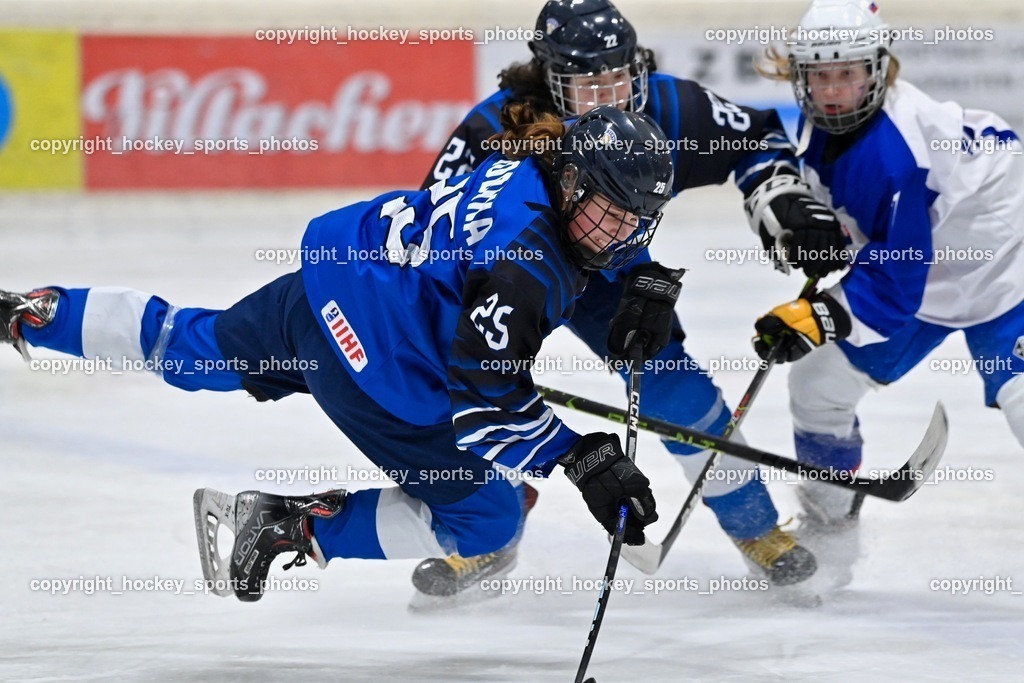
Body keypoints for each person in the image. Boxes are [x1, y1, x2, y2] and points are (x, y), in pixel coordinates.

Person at [1, 105, 673, 602]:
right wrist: (582, 457)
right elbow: (484, 405)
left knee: (189, 344)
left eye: (636, 222)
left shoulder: (539, 156)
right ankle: (285, 523)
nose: (620, 234)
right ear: (573, 182)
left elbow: (492, 325)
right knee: (491, 516)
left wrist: (641, 275)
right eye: (610, 215)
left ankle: (35, 314)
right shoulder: (525, 269)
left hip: (326, 287)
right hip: (373, 366)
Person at [412, 0, 851, 599]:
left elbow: (758, 138)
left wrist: (782, 201)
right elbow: (433, 230)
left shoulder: (670, 107)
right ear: (548, 79)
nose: (608, 97)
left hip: (614, 271)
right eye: (587, 86)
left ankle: (757, 530)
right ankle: (488, 527)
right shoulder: (497, 126)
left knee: (675, 392)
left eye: (616, 79)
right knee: (468, 389)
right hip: (510, 277)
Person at [753, 0, 1024, 585]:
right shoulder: (826, 126)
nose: (832, 91)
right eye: (820, 75)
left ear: (878, 70)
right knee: (818, 387)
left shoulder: (897, 155)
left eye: (847, 73)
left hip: (1009, 271)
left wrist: (820, 315)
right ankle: (830, 530)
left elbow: (897, 278)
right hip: (931, 279)